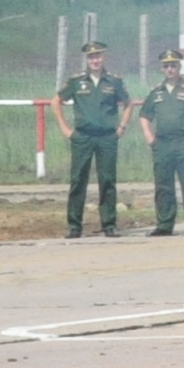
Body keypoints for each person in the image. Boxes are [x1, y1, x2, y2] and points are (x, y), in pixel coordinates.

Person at [58, 44, 128, 236]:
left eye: (98, 57)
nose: (95, 61)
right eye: (91, 57)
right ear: (87, 60)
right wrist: (65, 128)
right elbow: (56, 101)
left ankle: (109, 224)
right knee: (78, 179)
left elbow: (128, 104)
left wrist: (121, 127)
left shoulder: (113, 81)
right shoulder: (77, 81)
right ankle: (74, 225)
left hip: (107, 137)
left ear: (103, 57)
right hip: (83, 136)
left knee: (107, 180)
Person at [137, 51, 184, 239]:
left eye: (173, 65)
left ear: (179, 67)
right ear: (162, 68)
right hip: (163, 144)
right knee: (163, 186)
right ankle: (165, 224)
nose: (170, 69)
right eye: (166, 66)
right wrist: (148, 135)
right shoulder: (156, 91)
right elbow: (144, 115)